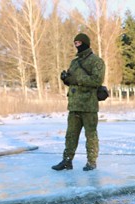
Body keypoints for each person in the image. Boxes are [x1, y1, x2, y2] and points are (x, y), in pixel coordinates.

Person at [52, 33, 105, 171]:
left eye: (79, 43)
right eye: (75, 43)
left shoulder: (96, 61)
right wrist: (66, 79)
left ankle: (91, 162)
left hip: (88, 105)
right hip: (74, 105)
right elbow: (72, 80)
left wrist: (77, 79)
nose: (77, 45)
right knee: (70, 135)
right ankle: (67, 160)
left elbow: (97, 80)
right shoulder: (74, 62)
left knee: (91, 135)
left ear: (86, 43)